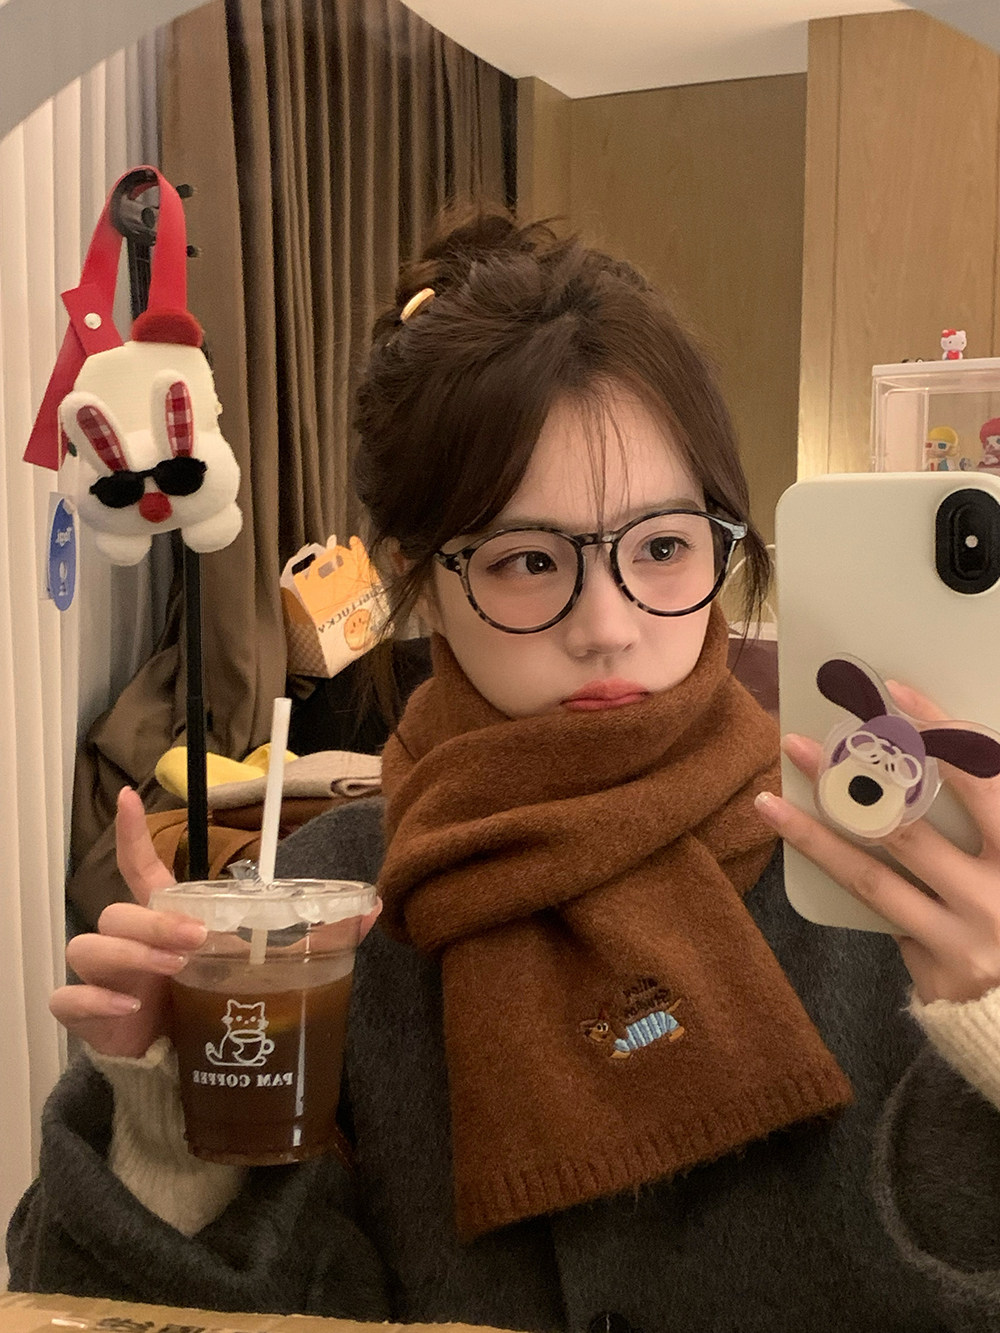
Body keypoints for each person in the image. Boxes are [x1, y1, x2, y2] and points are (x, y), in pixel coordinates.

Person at [9, 208, 1000, 1333]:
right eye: (528, 560)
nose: (608, 625)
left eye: (663, 546)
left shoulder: (881, 874)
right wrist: (172, 1124)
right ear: (420, 581)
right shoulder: (315, 919)